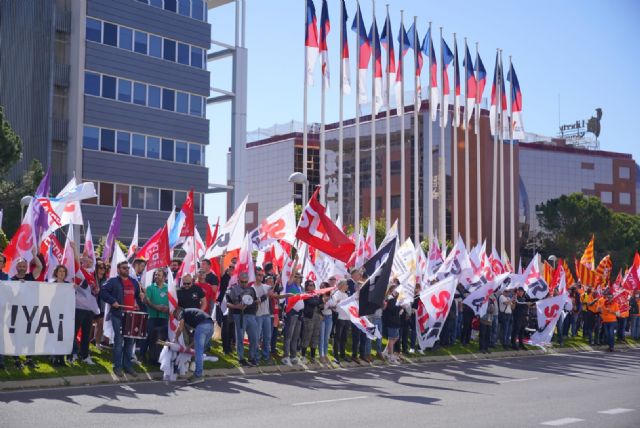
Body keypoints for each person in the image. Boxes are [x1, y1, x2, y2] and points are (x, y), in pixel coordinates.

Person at [100, 261, 144, 377]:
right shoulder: (113, 281)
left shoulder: (134, 282)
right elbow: (103, 292)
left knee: (130, 342)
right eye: (124, 268)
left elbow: (137, 295)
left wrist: (139, 299)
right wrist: (112, 301)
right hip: (118, 315)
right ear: (118, 269)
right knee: (119, 341)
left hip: (131, 315)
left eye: (127, 268)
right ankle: (117, 367)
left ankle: (127, 366)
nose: (126, 270)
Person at [225, 272, 259, 366]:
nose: (244, 283)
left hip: (251, 315)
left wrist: (257, 301)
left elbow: (255, 300)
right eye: (242, 282)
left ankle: (252, 357)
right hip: (239, 315)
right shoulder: (232, 289)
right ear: (238, 280)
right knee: (240, 337)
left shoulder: (251, 289)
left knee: (255, 337)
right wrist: (237, 307)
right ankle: (241, 358)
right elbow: (226, 303)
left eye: (246, 282)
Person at [174, 306, 215, 385]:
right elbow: (196, 341)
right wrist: (189, 347)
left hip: (203, 326)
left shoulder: (182, 312)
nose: (177, 319)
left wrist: (175, 339)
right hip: (210, 326)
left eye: (176, 317)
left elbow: (180, 326)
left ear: (177, 312)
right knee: (199, 351)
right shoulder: (192, 315)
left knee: (198, 353)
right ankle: (199, 372)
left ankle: (198, 375)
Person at [72, 264, 101, 365]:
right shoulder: (79, 271)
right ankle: (73, 353)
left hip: (89, 310)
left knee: (86, 334)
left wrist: (95, 290)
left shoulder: (92, 275)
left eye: (89, 259)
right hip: (78, 308)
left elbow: (92, 291)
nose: (88, 260)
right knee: (74, 333)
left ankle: (84, 355)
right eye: (85, 259)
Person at [141, 268, 169, 363]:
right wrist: (155, 307)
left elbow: (173, 302)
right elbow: (146, 301)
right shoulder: (150, 287)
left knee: (161, 339)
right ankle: (142, 355)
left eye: (159, 275)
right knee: (148, 336)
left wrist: (168, 308)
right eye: (155, 275)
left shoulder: (169, 288)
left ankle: (159, 358)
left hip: (164, 317)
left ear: (164, 277)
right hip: (152, 317)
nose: (156, 277)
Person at [253, 269, 273, 363]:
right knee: (257, 337)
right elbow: (256, 301)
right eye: (258, 275)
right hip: (258, 315)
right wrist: (265, 296)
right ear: (255, 276)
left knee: (267, 336)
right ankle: (256, 356)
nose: (261, 276)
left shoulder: (266, 286)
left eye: (262, 275)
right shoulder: (252, 288)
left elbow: (275, 289)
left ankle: (265, 355)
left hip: (267, 315)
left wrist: (277, 282)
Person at [300, 280, 322, 363]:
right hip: (309, 318)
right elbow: (313, 303)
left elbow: (319, 305)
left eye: (313, 285)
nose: (312, 286)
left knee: (315, 336)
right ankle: (303, 356)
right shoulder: (306, 294)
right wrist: (320, 298)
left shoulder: (315, 295)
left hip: (317, 317)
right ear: (306, 286)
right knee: (307, 336)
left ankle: (312, 356)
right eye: (310, 285)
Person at [216, 263, 235, 354]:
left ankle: (231, 345)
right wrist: (222, 259)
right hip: (224, 305)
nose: (231, 269)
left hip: (235, 305)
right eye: (229, 267)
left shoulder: (237, 279)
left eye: (233, 268)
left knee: (232, 327)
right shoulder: (225, 277)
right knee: (225, 326)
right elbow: (221, 269)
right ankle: (225, 348)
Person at [330, 279, 350, 364]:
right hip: (340, 318)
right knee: (337, 337)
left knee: (344, 338)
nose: (347, 286)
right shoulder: (336, 294)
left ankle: (342, 354)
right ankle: (335, 355)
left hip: (347, 318)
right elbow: (334, 305)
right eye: (346, 284)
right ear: (342, 285)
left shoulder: (346, 294)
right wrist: (337, 302)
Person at [382, 285, 401, 364]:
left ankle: (386, 352)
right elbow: (392, 310)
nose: (397, 292)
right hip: (391, 322)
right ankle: (391, 357)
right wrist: (400, 307)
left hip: (395, 322)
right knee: (391, 339)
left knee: (396, 338)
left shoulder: (394, 299)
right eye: (395, 290)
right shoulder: (391, 299)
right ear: (392, 291)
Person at [92, 260, 109, 348]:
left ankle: (97, 343)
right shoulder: (92, 278)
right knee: (90, 325)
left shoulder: (106, 279)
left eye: (104, 268)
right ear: (96, 268)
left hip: (102, 305)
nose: (103, 269)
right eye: (101, 268)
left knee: (100, 324)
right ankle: (86, 343)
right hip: (92, 304)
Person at [318, 280, 335, 363]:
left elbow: (334, 306)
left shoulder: (330, 296)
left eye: (325, 287)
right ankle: (320, 355)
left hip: (329, 317)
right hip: (322, 317)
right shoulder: (319, 297)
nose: (323, 289)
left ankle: (325, 354)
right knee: (321, 338)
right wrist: (324, 303)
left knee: (326, 337)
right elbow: (320, 308)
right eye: (322, 287)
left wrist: (332, 306)